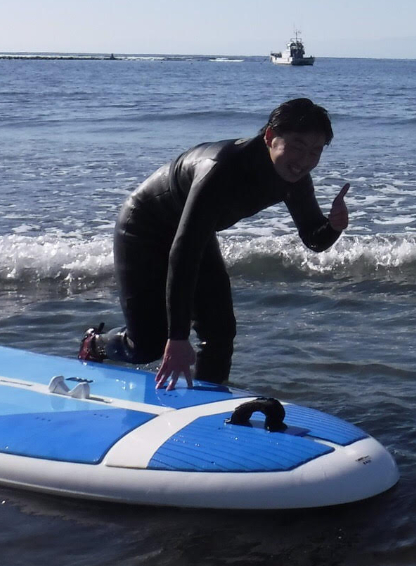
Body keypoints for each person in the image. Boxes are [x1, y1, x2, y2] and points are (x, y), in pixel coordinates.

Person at [80, 98, 350, 389]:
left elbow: (313, 239)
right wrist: (178, 337)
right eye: (297, 146)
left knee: (220, 333)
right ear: (270, 137)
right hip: (143, 228)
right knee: (148, 346)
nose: (305, 160)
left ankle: (206, 406)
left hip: (194, 232)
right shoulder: (222, 169)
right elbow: (184, 253)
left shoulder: (295, 177)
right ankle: (95, 344)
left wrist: (333, 226)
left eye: (315, 151)